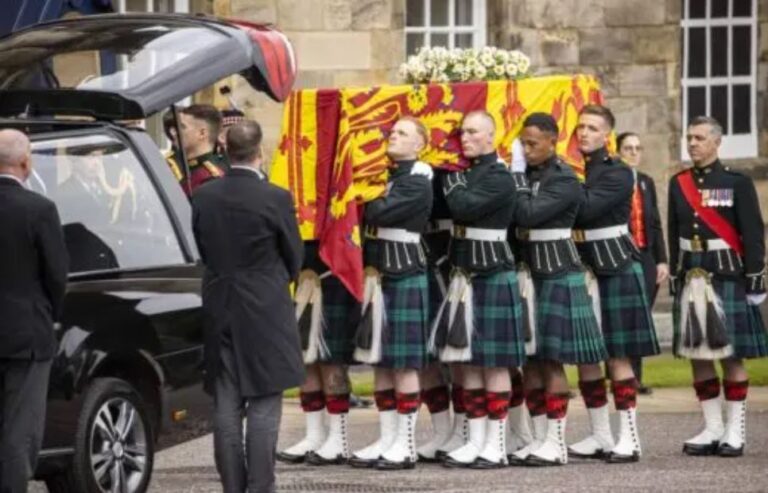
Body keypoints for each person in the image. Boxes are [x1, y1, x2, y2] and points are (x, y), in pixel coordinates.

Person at [191, 120, 304, 493]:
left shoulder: (205, 195)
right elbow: (293, 257)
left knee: (226, 404)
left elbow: (203, 249)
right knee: (264, 402)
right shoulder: (275, 197)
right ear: (260, 152)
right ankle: (260, 486)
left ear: (224, 150)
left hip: (220, 299)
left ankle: (233, 487)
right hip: (264, 305)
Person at [510, 113, 607, 467]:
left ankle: (555, 440)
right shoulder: (531, 174)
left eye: (533, 143)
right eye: (523, 143)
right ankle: (537, 438)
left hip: (556, 272)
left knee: (551, 360)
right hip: (530, 273)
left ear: (552, 140)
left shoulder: (565, 178)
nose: (526, 149)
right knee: (531, 361)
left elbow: (528, 214)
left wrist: (517, 177)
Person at [668, 116, 767, 458]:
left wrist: (756, 278)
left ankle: (735, 430)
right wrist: (675, 274)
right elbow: (673, 233)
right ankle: (711, 427)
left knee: (731, 354)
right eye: (689, 138)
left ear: (715, 142)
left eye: (698, 138)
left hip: (727, 275)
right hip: (691, 274)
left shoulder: (736, 183)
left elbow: (753, 235)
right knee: (699, 354)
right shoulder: (678, 183)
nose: (692, 143)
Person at [433, 111, 526, 469]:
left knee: (495, 361)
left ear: (491, 135)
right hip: (464, 272)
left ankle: (496, 443)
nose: (465, 138)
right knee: (467, 359)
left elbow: (463, 206)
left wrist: (453, 183)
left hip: (491, 272)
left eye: (472, 132)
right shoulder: (468, 173)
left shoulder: (499, 176)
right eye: (462, 132)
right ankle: (475, 438)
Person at [568, 105, 660, 463]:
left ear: (607, 134)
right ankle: (600, 434)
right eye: (580, 127)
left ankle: (630, 438)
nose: (584, 133)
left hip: (616, 265)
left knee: (618, 356)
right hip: (583, 265)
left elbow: (585, 209)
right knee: (587, 357)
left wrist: (559, 191)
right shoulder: (576, 170)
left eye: (592, 128)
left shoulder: (619, 173)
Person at [348, 116, 433, 470]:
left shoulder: (418, 180)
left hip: (404, 270)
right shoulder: (386, 175)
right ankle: (388, 437)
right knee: (380, 359)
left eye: (403, 133)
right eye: (392, 131)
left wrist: (372, 196)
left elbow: (377, 211)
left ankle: (407, 443)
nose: (393, 136)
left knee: (404, 360)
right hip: (378, 273)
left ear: (419, 144)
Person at [0, 128, 68, 493]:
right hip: (27, 333)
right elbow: (57, 274)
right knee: (19, 433)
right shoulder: (40, 209)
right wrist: (50, 313)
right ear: (26, 163)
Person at [278, 242, 361, 466]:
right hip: (300, 276)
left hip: (334, 274)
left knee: (331, 361)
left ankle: (338, 440)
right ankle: (314, 436)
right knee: (306, 359)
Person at [617, 132, 669, 395]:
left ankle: (636, 377)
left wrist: (662, 260)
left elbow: (656, 223)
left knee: (641, 317)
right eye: (628, 148)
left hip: (646, 255)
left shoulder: (646, 182)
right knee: (621, 317)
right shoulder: (612, 180)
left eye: (638, 148)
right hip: (621, 255)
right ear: (618, 151)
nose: (634, 153)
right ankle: (620, 376)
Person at [167, 105, 229, 196]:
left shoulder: (211, 179)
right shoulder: (177, 165)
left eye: (182, 127)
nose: (175, 132)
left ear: (202, 133)